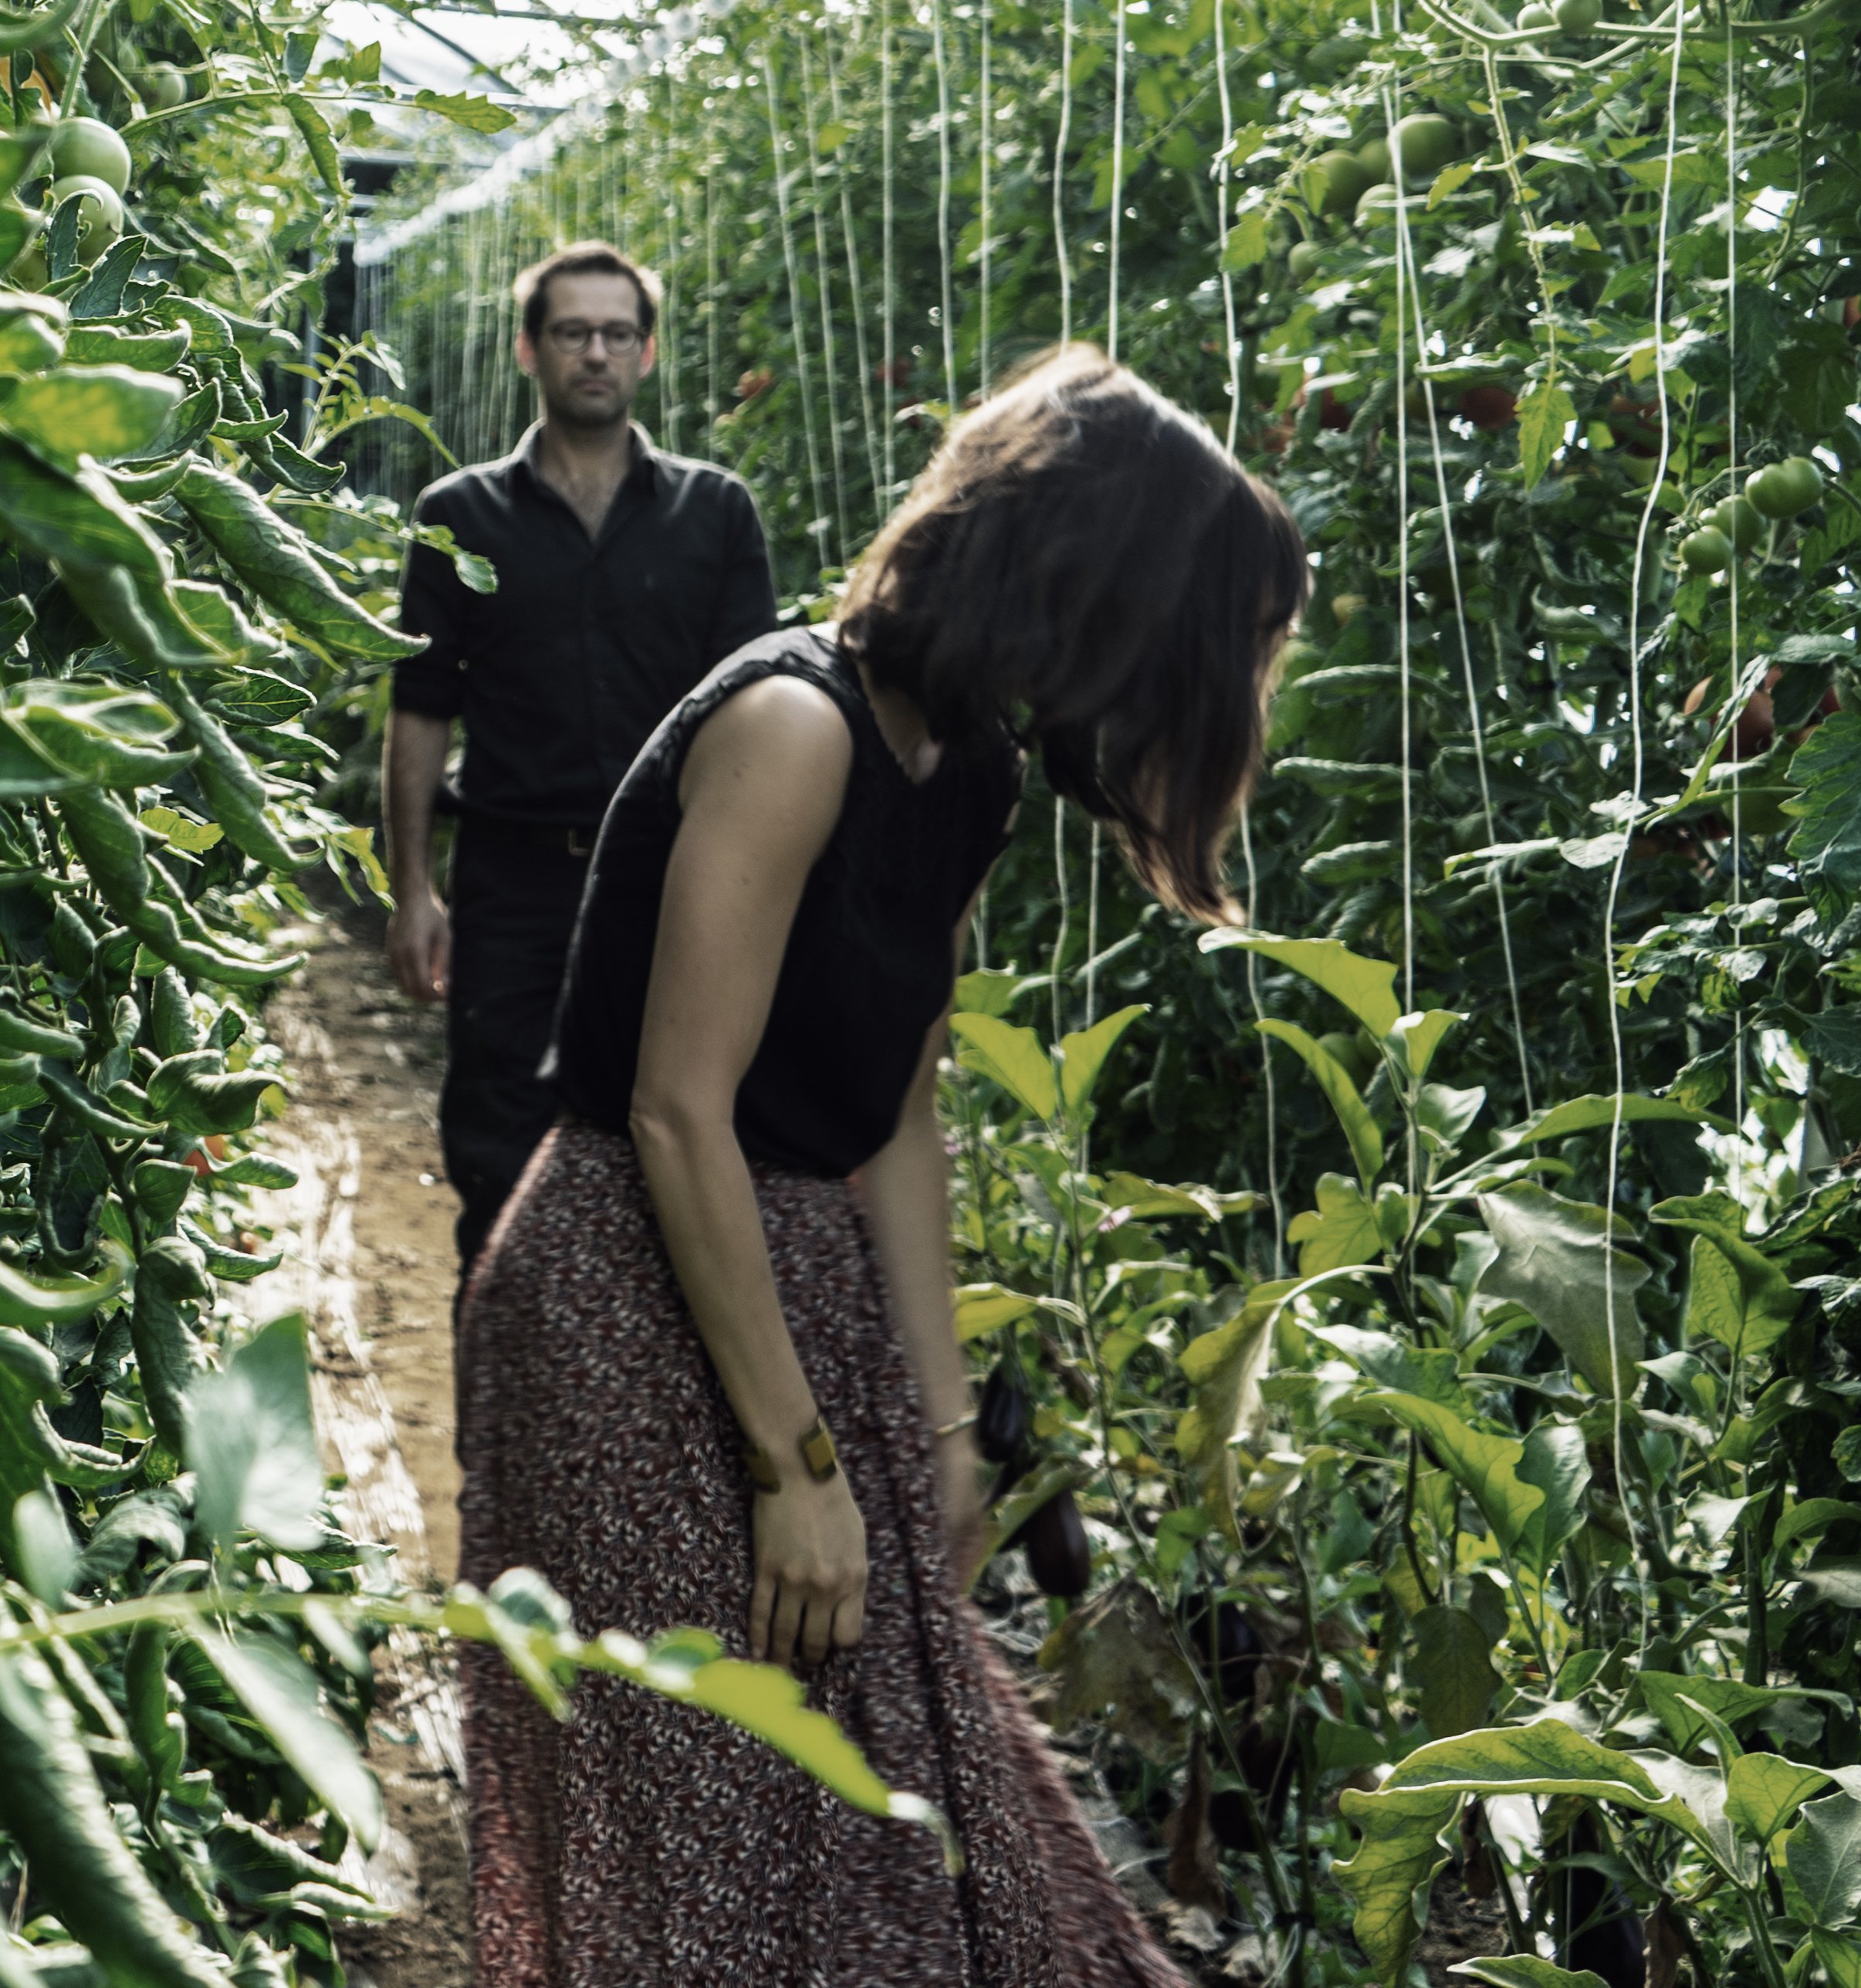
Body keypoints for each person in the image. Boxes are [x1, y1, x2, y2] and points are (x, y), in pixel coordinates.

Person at [458, 347, 1308, 1988]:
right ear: (1082, 582)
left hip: (791, 1275)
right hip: (633, 1281)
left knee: (902, 1798)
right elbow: (676, 1111)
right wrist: (798, 1467)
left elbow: (900, 1108)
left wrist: (931, 1428)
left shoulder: (966, 769)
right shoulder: (793, 724)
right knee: (706, 1788)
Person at [383, 240, 777, 1268]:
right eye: (571, 333)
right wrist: (413, 890)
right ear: (530, 350)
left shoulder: (714, 515)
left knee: (673, 1140)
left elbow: (758, 718)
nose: (593, 353)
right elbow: (420, 710)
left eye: (615, 334)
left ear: (646, 353)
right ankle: (506, 1408)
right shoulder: (460, 519)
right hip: (513, 883)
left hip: (672, 886)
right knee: (498, 1153)